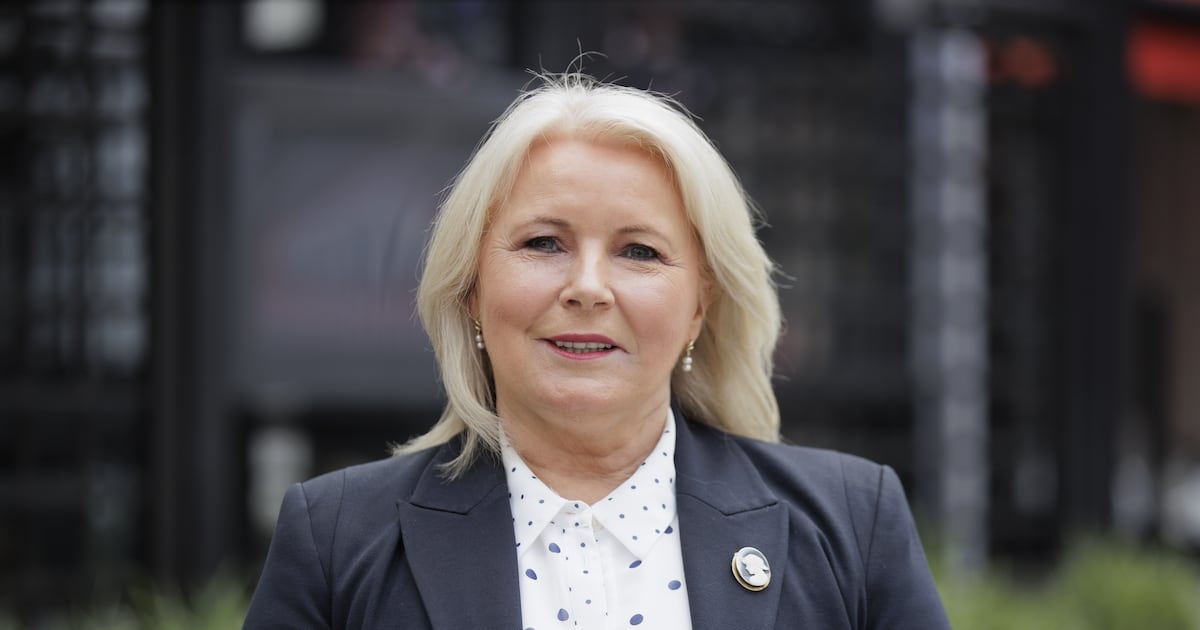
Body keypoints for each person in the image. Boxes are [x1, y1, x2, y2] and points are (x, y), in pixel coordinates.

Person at [244, 72, 951, 629]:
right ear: (471, 288)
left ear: (698, 304)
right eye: (543, 243)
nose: (587, 287)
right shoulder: (336, 539)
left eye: (639, 251)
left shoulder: (853, 523)